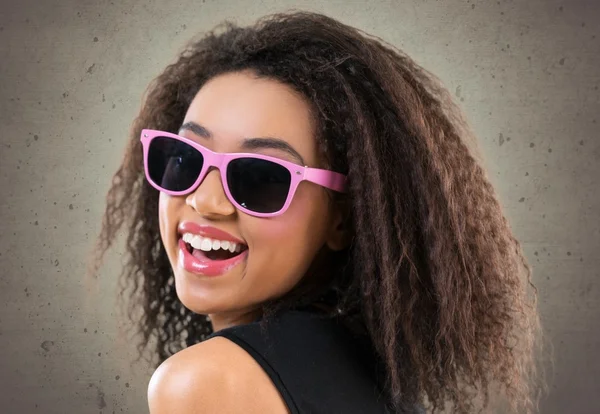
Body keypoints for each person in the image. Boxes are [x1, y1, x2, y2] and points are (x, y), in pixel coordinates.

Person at [88, 10, 544, 414]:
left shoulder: (209, 382)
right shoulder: (367, 372)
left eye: (260, 179)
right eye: (184, 158)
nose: (206, 201)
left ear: (341, 219)